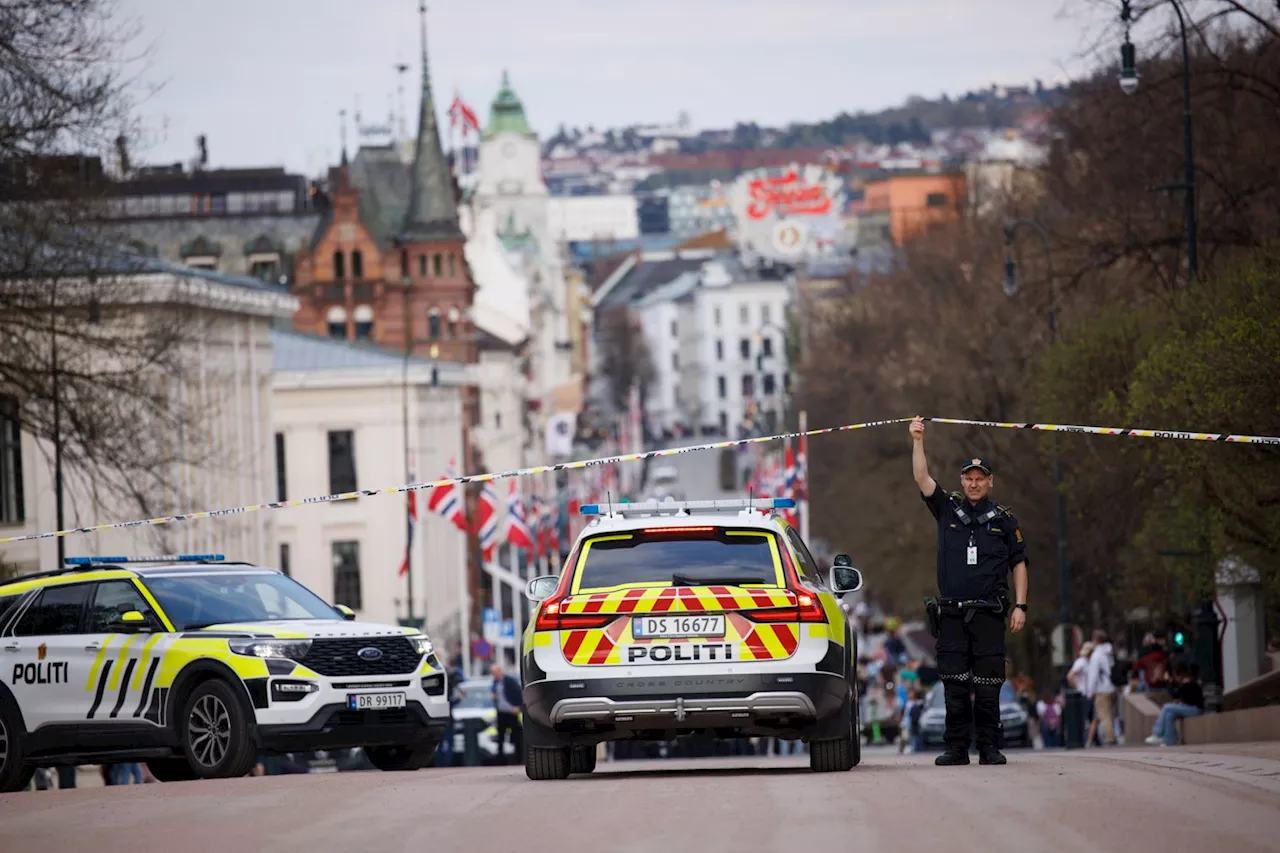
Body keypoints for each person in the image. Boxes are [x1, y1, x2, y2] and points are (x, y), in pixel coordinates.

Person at [911, 416, 1029, 766]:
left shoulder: (1004, 520)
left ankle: (990, 748)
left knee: (990, 685)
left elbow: (1019, 563)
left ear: (990, 482)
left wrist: (1020, 605)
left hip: (990, 613)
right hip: (951, 614)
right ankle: (957, 748)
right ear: (962, 481)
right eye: (969, 479)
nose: (974, 484)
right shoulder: (947, 508)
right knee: (954, 684)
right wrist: (918, 439)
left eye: (980, 479)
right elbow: (921, 477)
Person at [1145, 664, 1205, 746]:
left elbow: (1175, 694)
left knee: (1167, 707)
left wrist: (1168, 682)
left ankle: (1157, 733)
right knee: (1169, 715)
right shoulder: (1185, 684)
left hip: (1195, 709)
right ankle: (1170, 741)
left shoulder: (1190, 684)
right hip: (1190, 708)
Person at [1087, 631, 1118, 746]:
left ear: (1096, 640)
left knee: (1103, 714)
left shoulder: (1097, 655)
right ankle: (1112, 735)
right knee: (1110, 714)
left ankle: (1110, 737)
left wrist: (1090, 691)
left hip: (1102, 689)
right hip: (1111, 686)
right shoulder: (1109, 652)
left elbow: (1093, 675)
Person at [490, 663, 524, 766]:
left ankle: (520, 759)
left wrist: (518, 707)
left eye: (495, 672)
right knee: (500, 737)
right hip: (501, 713)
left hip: (511, 712)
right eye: (492, 673)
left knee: (516, 736)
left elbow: (518, 692)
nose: (494, 675)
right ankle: (501, 760)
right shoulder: (495, 683)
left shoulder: (509, 681)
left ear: (500, 671)